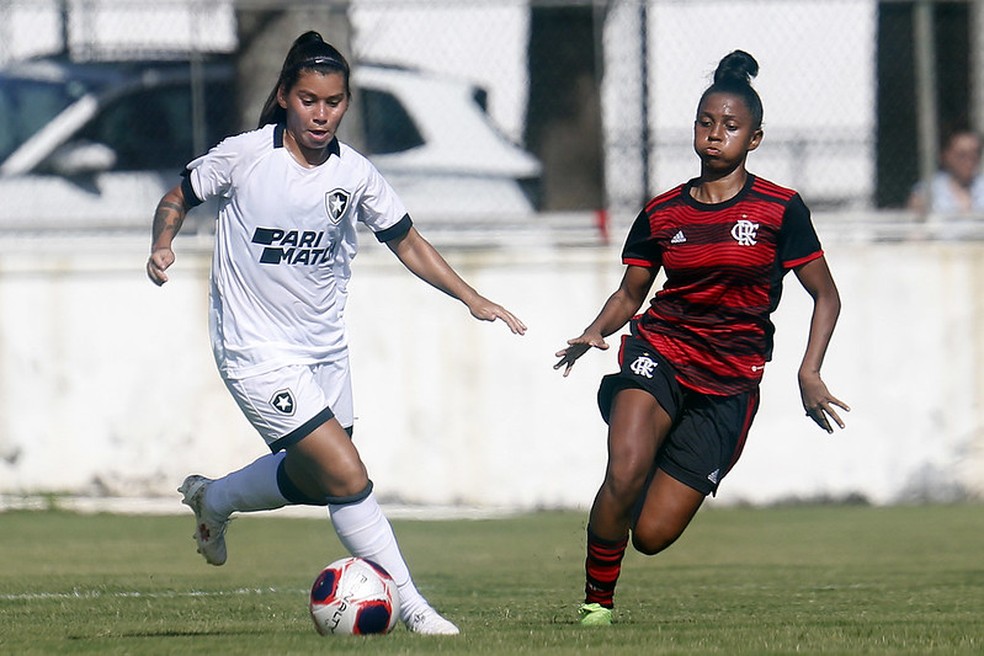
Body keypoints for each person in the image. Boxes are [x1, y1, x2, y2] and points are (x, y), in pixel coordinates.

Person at [146, 31, 526, 636]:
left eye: (334, 102)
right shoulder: (246, 156)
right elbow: (177, 196)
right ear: (284, 97)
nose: (321, 114)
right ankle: (413, 608)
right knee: (347, 475)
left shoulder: (355, 174)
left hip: (324, 351)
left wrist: (471, 297)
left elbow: (407, 240)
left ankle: (213, 500)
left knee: (316, 479)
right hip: (255, 350)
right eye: (308, 100)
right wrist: (162, 243)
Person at [554, 50, 849, 626]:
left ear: (754, 138)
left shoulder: (780, 209)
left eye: (730, 126)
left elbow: (827, 296)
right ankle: (596, 605)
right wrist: (594, 331)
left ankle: (647, 468)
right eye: (706, 122)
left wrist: (809, 370)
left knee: (651, 535)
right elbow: (630, 294)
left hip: (729, 383)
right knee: (624, 470)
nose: (715, 134)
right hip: (659, 351)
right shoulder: (663, 212)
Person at [908, 127, 984, 213]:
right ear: (945, 156)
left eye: (974, 154)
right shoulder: (927, 191)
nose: (969, 161)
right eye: (962, 155)